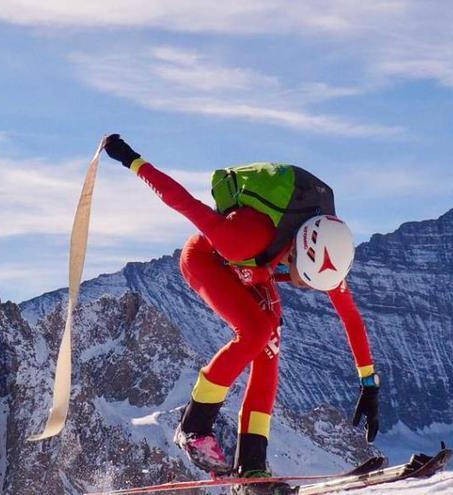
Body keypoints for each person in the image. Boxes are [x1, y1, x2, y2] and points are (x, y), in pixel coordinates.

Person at [103, 135, 380, 495]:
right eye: (308, 282)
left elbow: (351, 317)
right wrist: (130, 159)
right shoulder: (244, 237)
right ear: (298, 251)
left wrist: (369, 383)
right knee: (254, 332)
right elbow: (184, 203)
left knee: (270, 343)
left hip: (255, 272)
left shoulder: (323, 250)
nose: (309, 289)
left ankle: (251, 470)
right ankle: (194, 427)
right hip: (207, 262)